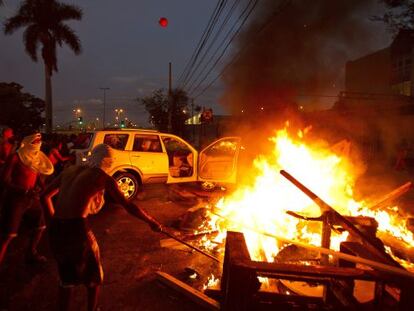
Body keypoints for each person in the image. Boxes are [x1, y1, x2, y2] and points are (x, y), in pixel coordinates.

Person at [41, 143, 163, 311]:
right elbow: (128, 206)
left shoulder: (70, 171)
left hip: (58, 229)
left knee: (67, 278)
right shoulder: (101, 177)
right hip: (77, 230)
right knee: (93, 276)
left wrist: (52, 223)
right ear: (108, 162)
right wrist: (152, 222)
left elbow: (44, 196)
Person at [0, 132, 54, 265]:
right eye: (35, 142)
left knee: (40, 226)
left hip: (31, 199)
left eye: (39, 142)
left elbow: (37, 177)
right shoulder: (15, 157)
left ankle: (31, 252)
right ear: (28, 142)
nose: (38, 144)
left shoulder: (36, 158)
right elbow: (4, 180)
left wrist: (42, 187)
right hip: (16, 200)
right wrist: (24, 191)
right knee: (9, 234)